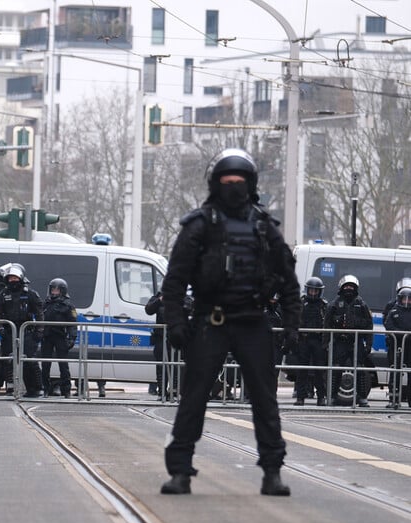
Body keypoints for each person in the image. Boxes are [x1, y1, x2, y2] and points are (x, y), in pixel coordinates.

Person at [159, 148, 301, 496]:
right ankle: (180, 472)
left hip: (253, 322)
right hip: (211, 320)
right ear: (215, 184)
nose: (233, 186)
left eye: (239, 181)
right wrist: (176, 322)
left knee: (265, 401)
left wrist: (293, 324)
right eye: (227, 180)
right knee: (193, 397)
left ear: (250, 184)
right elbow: (174, 280)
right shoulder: (199, 225)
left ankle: (272, 472)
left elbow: (288, 281)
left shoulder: (265, 228)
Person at [0, 263, 44, 398]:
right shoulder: (2, 295)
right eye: (10, 278)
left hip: (26, 333)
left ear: (20, 278)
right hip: (9, 332)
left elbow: (39, 313)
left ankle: (36, 389)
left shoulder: (31, 294)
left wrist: (39, 331)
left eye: (15, 278)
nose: (13, 281)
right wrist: (1, 328)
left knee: (29, 361)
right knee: (5, 360)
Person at [323, 275, 373, 407]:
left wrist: (368, 344)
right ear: (342, 288)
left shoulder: (361, 304)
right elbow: (327, 324)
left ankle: (362, 398)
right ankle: (332, 396)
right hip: (340, 341)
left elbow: (369, 324)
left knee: (361, 370)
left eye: (351, 286)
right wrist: (326, 343)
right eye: (347, 286)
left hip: (356, 341)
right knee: (336, 369)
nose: (349, 289)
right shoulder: (334, 304)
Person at [39, 278, 78, 398]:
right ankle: (45, 389)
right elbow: (39, 318)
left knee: (63, 365)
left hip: (60, 337)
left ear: (62, 291)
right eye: (52, 290)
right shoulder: (45, 303)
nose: (54, 292)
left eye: (57, 290)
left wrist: (72, 338)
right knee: (45, 365)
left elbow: (72, 324)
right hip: (47, 337)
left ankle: (66, 390)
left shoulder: (68, 305)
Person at [294, 277, 328, 406]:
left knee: (319, 370)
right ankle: (300, 397)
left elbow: (328, 324)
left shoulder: (324, 305)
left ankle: (321, 397)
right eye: (311, 291)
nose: (313, 293)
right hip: (304, 340)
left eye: (316, 291)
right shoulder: (301, 304)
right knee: (302, 370)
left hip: (318, 341)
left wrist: (325, 341)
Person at [384, 287, 411, 408]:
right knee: (395, 373)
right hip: (397, 346)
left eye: (409, 299)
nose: (406, 302)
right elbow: (388, 325)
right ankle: (393, 399)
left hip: (410, 347)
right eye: (404, 299)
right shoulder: (394, 311)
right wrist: (400, 334)